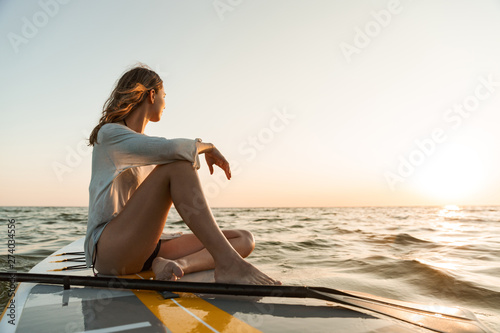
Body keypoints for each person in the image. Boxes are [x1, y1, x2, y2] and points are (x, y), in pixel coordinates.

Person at [84, 64, 279, 285]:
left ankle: (177, 265)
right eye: (163, 96)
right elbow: (175, 149)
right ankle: (229, 264)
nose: (165, 103)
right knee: (178, 165)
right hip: (111, 250)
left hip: (146, 249)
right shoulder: (110, 134)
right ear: (152, 95)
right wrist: (209, 146)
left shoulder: (142, 146)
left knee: (243, 239)